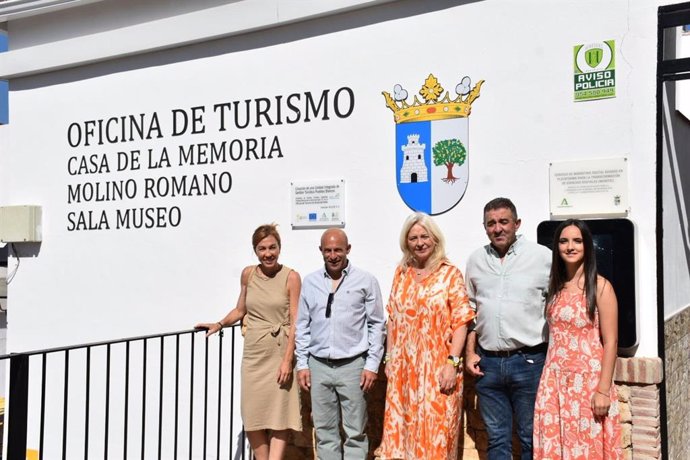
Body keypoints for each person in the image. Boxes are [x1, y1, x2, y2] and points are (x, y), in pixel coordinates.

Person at [195, 224, 301, 460]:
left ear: (280, 248)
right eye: (262, 248)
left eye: (272, 247)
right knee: (251, 416)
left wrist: (287, 361)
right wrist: (219, 324)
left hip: (279, 352)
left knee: (279, 415)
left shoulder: (291, 277)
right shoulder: (248, 274)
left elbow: (296, 321)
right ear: (255, 251)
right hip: (254, 354)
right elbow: (241, 309)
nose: (268, 253)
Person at [376, 212, 475, 460]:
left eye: (424, 236)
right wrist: (389, 359)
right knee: (402, 436)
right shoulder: (401, 273)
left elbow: (462, 321)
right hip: (403, 372)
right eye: (413, 238)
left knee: (437, 438)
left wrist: (453, 363)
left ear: (435, 239)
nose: (419, 242)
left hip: (438, 369)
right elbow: (392, 318)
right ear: (405, 242)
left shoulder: (450, 274)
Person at [464, 197, 551, 460]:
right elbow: (469, 311)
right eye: (491, 223)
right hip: (488, 365)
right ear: (484, 227)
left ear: (517, 223)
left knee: (530, 437)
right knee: (497, 440)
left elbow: (559, 302)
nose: (498, 228)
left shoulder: (542, 257)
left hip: (529, 362)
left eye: (504, 221)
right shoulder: (476, 260)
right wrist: (470, 352)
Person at [533, 219, 621, 459]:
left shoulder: (601, 287)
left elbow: (611, 341)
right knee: (555, 447)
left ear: (587, 246)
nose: (570, 247)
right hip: (553, 382)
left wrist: (603, 390)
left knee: (586, 448)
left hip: (588, 384)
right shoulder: (555, 288)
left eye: (577, 241)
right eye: (563, 241)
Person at [295, 228, 385, 460]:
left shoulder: (366, 281)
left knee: (355, 433)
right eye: (328, 250)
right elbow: (303, 326)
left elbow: (377, 325)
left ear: (348, 249)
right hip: (319, 365)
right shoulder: (310, 282)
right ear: (321, 251)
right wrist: (302, 364)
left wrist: (372, 365)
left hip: (353, 366)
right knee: (325, 433)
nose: (333, 255)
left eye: (338, 250)